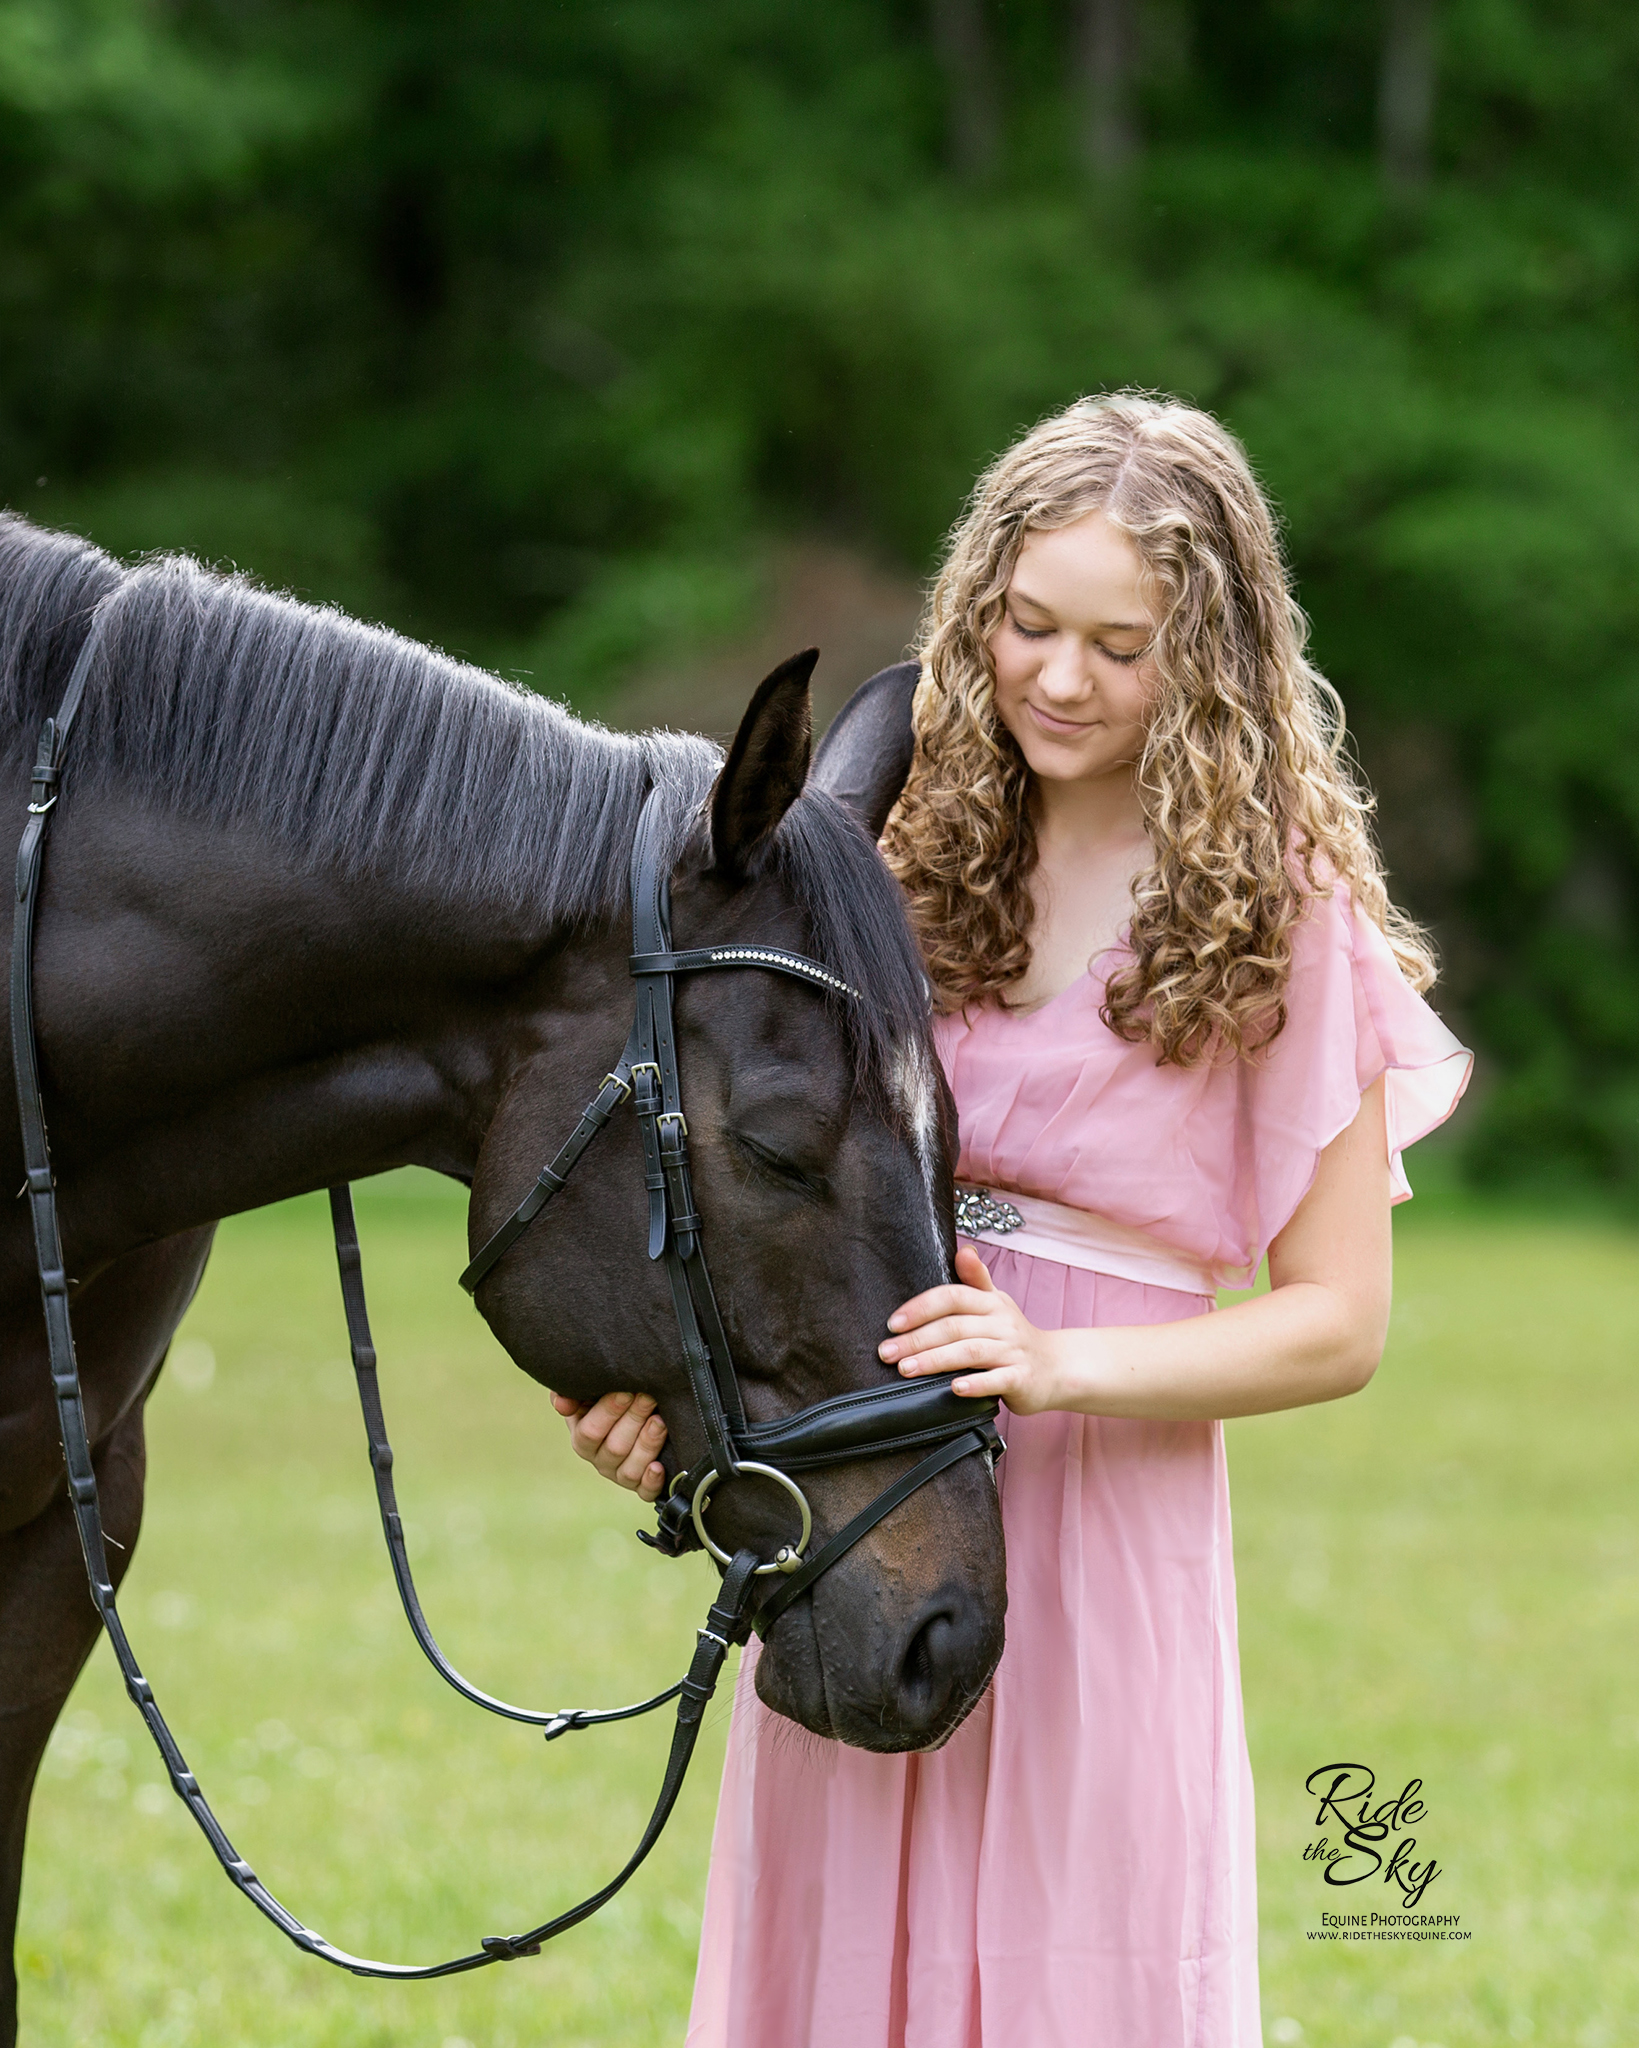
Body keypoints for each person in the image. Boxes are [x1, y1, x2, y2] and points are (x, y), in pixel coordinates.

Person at [552, 392, 1471, 2047]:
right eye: (1027, 624)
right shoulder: (888, 858)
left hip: (1105, 1518)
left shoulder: (1278, 914)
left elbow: (1340, 1323)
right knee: (831, 1955)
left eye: (1120, 647)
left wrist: (1053, 1367)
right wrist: (671, 1423)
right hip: (868, 1463)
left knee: (1076, 1968)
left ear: (1209, 657)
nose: (1058, 678)